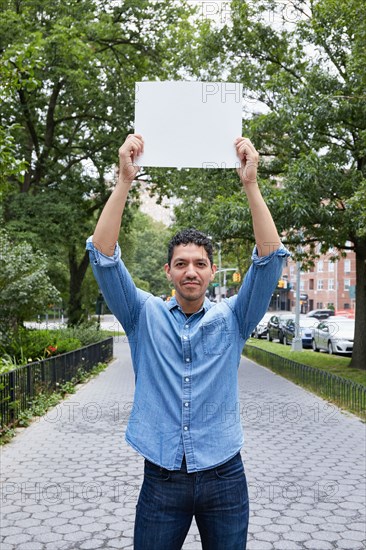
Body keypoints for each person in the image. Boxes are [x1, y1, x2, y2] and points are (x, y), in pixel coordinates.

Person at [86, 134, 290, 550]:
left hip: (225, 477)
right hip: (161, 479)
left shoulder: (234, 318)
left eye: (200, 264)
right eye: (181, 264)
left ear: (213, 272)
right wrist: (124, 180)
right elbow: (103, 255)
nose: (190, 271)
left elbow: (270, 259)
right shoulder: (143, 315)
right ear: (168, 271)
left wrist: (251, 184)